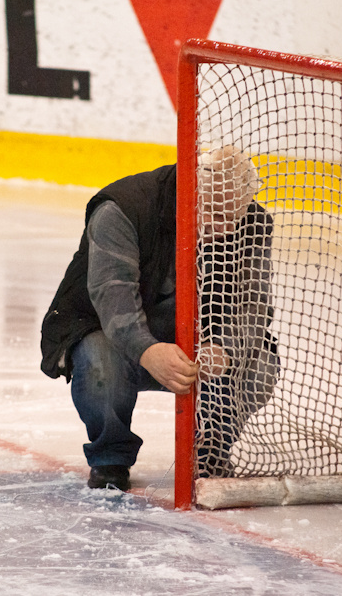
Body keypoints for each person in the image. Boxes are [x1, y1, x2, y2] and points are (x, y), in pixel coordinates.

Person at [39, 145, 279, 491]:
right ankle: (111, 456)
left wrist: (225, 349)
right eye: (212, 213)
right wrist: (147, 350)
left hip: (199, 339)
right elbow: (113, 296)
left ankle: (211, 450)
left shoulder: (253, 223)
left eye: (233, 217)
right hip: (113, 334)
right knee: (98, 363)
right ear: (188, 189)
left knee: (260, 364)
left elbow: (253, 305)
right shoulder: (123, 209)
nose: (224, 229)